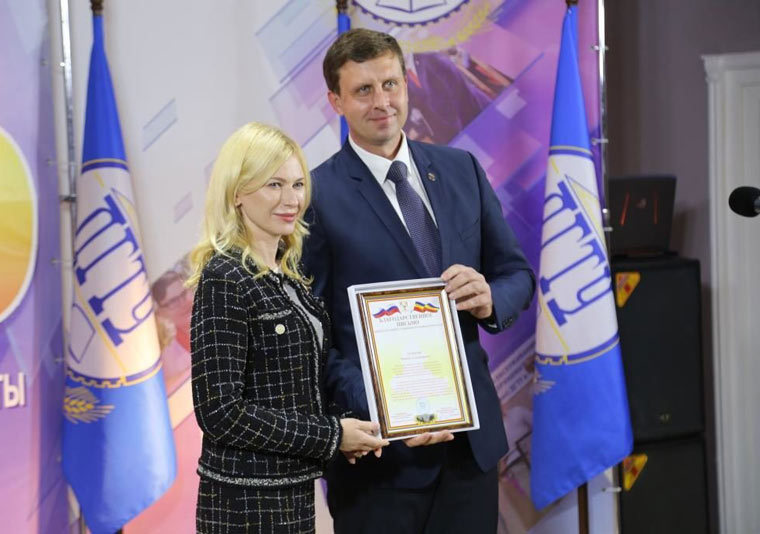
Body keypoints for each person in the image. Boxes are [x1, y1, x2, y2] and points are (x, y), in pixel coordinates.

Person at [302, 29, 535, 533]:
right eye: (363, 90)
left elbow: (516, 274)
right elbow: (312, 335)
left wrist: (489, 298)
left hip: (469, 451)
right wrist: (381, 408)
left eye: (390, 84)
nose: (381, 101)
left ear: (407, 84)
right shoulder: (315, 195)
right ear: (335, 101)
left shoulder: (461, 169)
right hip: (378, 460)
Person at [187, 122, 388, 534]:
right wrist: (331, 436)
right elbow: (220, 412)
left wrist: (344, 432)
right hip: (244, 506)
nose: (291, 199)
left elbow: (296, 386)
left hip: (292, 495)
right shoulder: (225, 277)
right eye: (274, 185)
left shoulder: (290, 277)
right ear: (237, 192)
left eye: (297, 184)